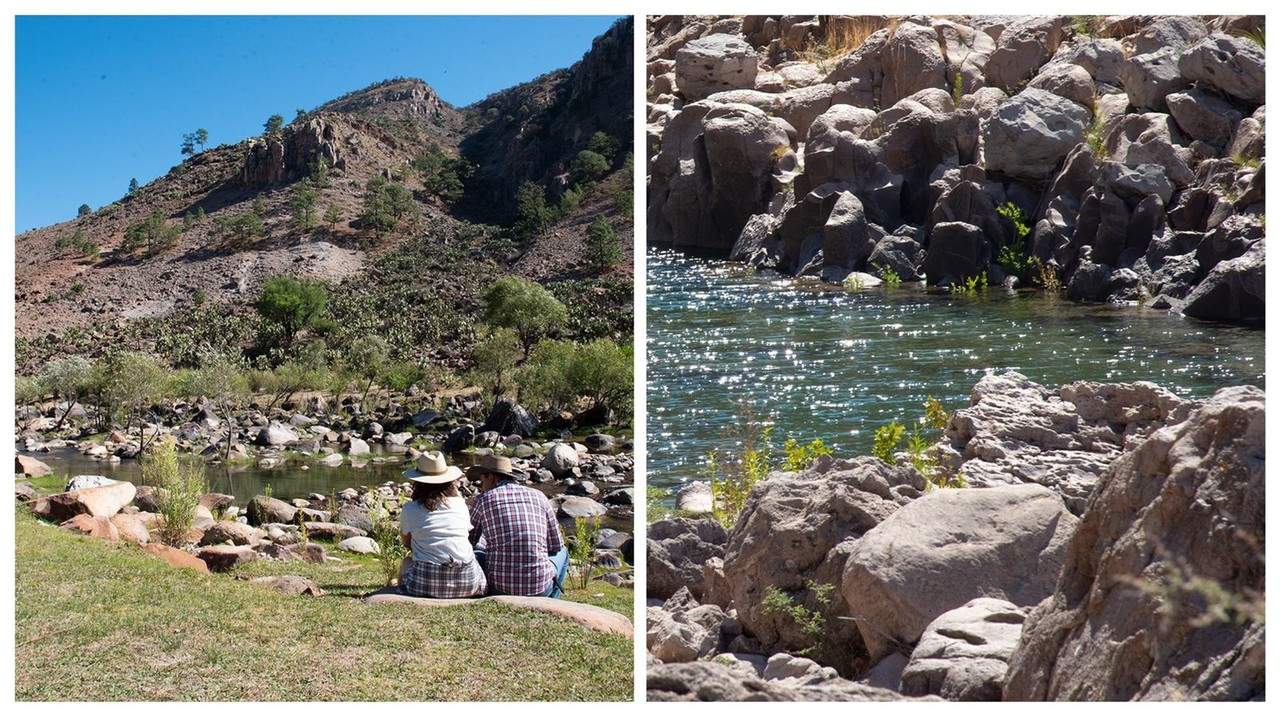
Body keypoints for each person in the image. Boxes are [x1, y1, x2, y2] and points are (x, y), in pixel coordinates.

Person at [467, 454, 569, 597]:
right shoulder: (539, 496)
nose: (481, 487)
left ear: (491, 477)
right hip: (540, 589)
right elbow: (556, 545)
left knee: (479, 553)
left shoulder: (483, 500)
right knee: (564, 552)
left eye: (482, 481)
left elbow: (469, 542)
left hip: (499, 588)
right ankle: (552, 599)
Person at [397, 451, 487, 599]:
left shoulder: (410, 509)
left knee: (406, 562)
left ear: (418, 482)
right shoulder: (460, 504)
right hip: (468, 583)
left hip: (424, 585)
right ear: (449, 482)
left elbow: (407, 544)